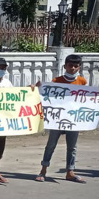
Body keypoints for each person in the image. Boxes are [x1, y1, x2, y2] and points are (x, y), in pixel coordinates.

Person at [36, 54, 87, 183]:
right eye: (71, 65)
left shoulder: (82, 81)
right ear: (65, 66)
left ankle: (70, 171)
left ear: (79, 67)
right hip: (57, 119)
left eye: (76, 66)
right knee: (51, 145)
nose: (73, 68)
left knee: (72, 147)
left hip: (73, 119)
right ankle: (43, 170)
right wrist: (39, 87)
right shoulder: (56, 80)